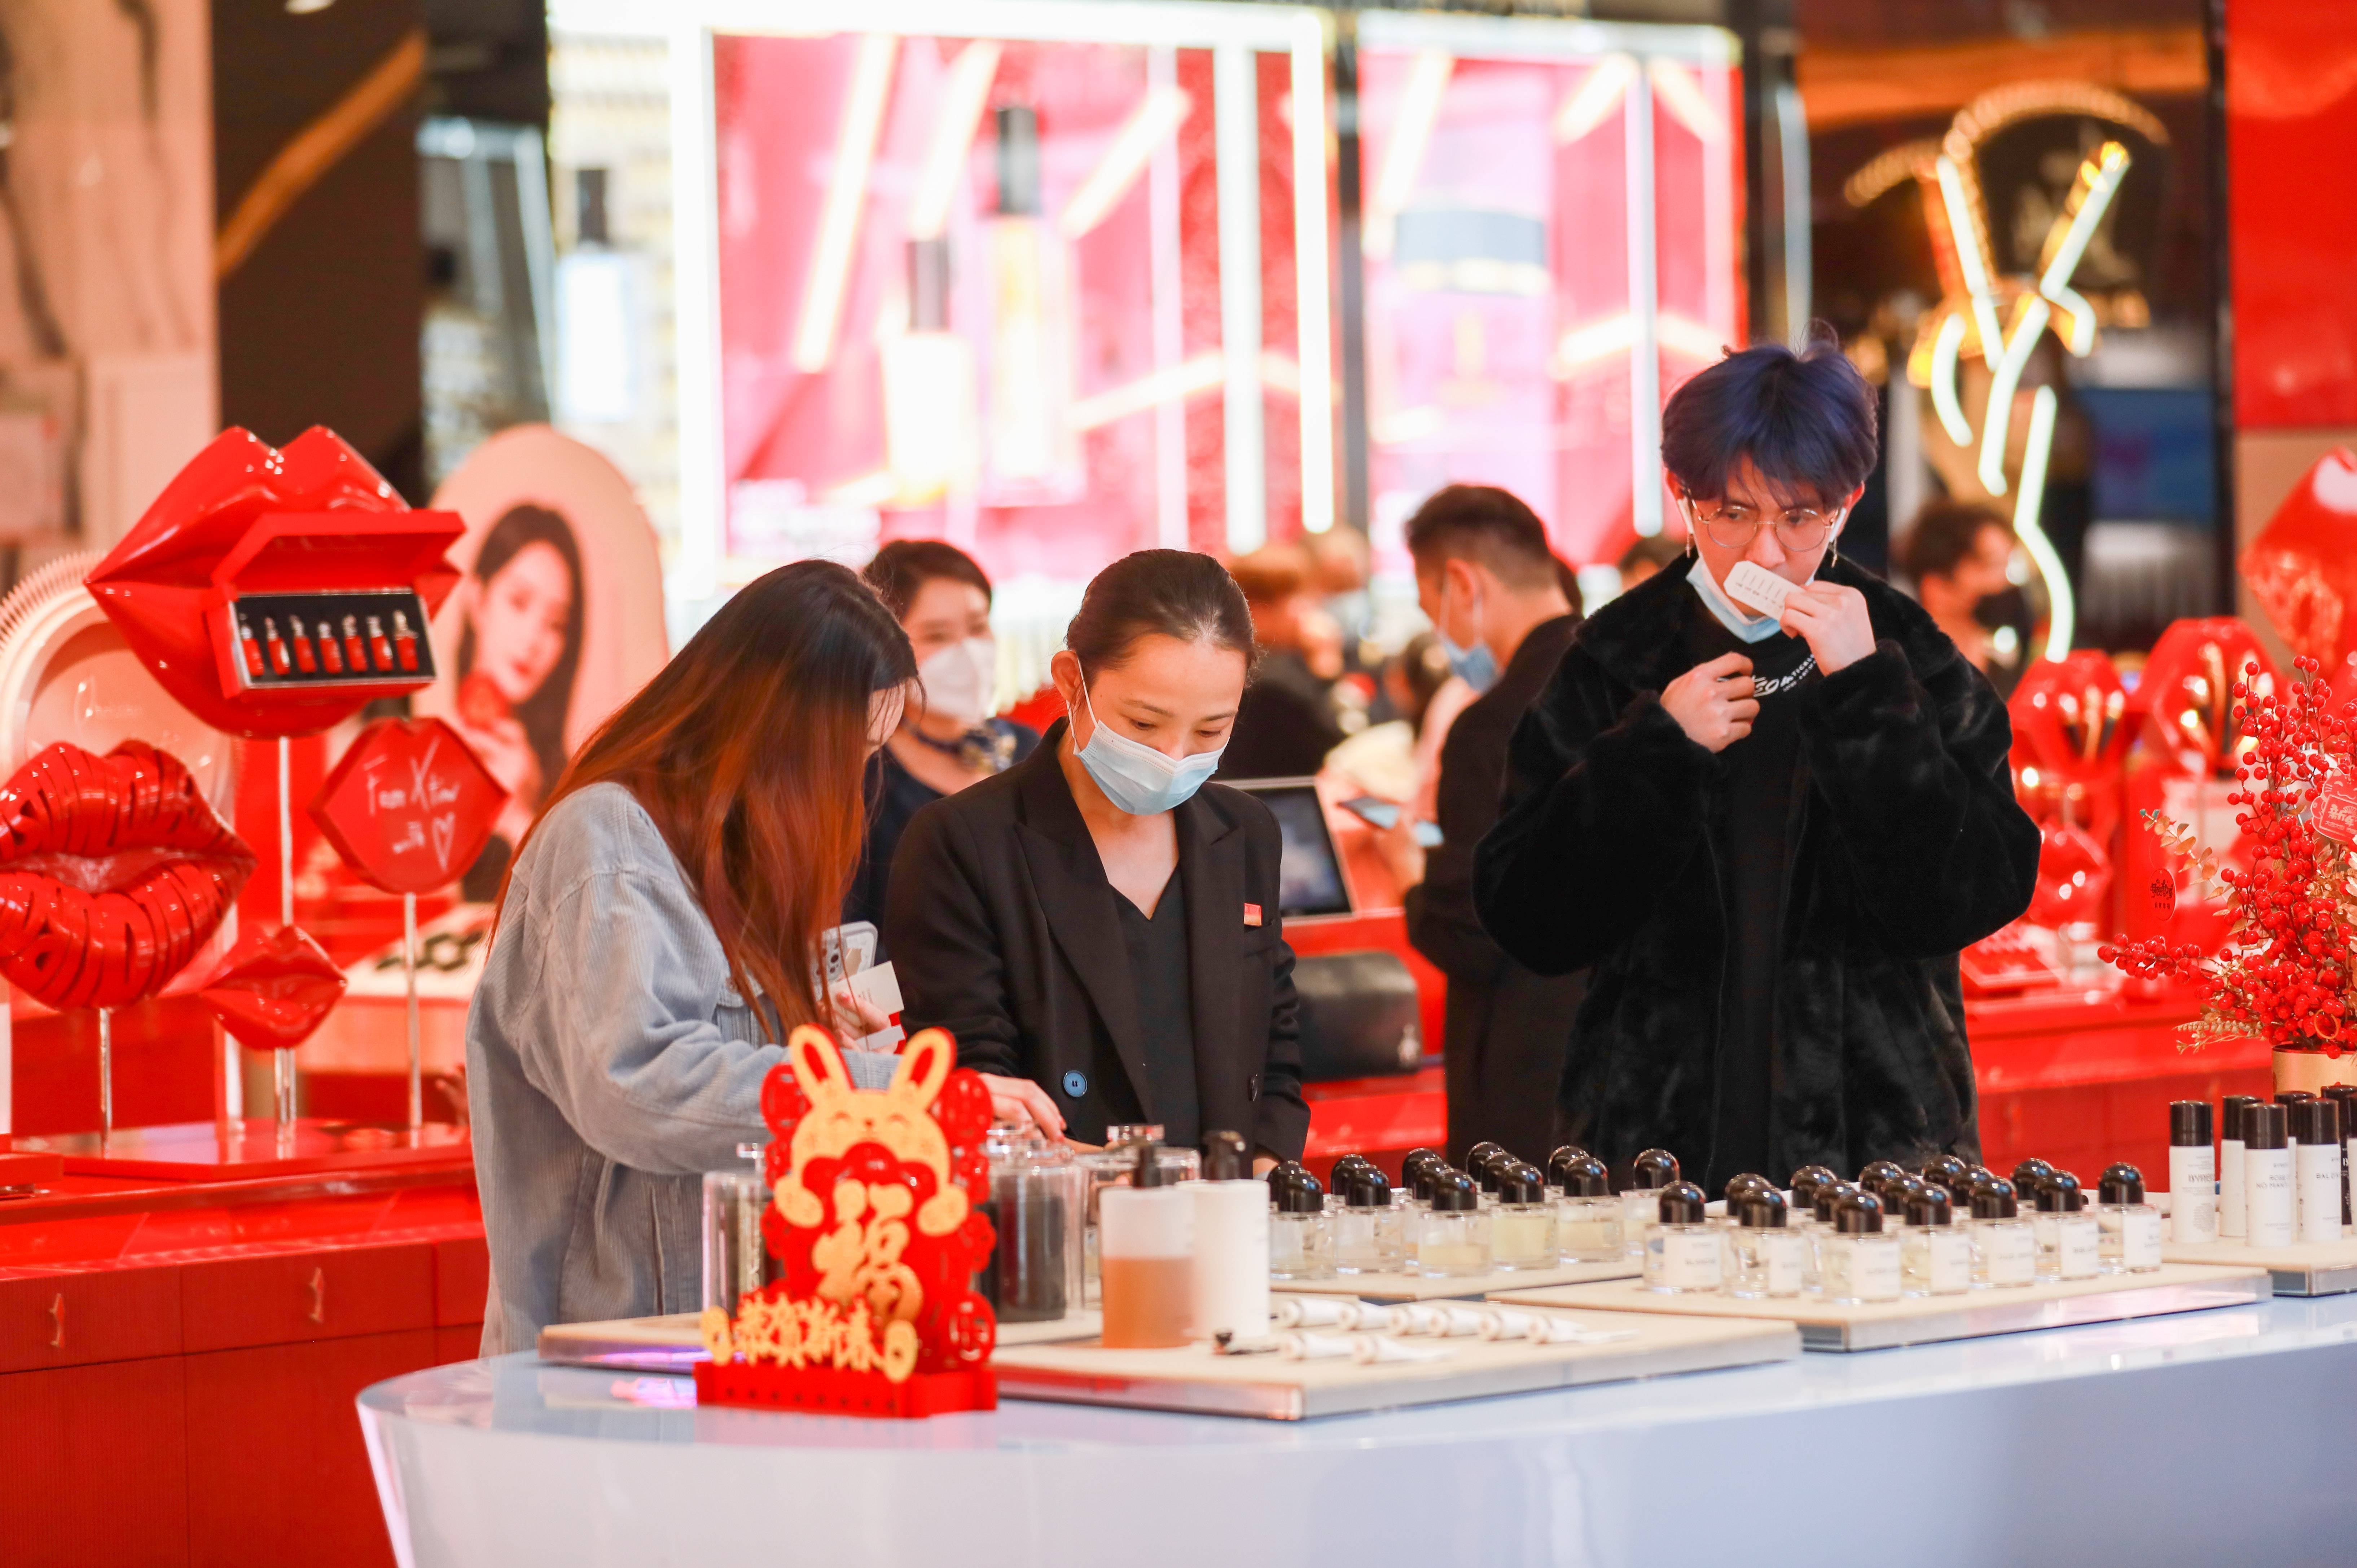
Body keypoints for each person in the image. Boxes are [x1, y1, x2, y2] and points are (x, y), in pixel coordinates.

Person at [1473, 328, 2039, 1188]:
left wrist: (1870, 700)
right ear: (1684, 497)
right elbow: (1527, 918)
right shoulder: (1617, 656)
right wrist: (1653, 755)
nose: (1765, 552)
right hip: (1653, 1153)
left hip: (1881, 1154)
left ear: (1846, 504)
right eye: (1732, 513)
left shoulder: (1910, 653)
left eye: (1799, 516)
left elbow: (1976, 894)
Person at [466, 561, 912, 1353]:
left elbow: (727, 1084)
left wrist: (817, 1039)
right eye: (845, 750)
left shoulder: (739, 852)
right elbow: (637, 1084)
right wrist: (876, 1092)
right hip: (612, 1357)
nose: (851, 779)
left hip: (735, 1339)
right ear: (772, 724)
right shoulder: (611, 838)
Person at [884, 549, 1311, 1162]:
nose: (1172, 756)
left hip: (1224, 1203)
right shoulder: (964, 842)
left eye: (1209, 730)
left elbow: (1273, 1049)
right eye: (1143, 724)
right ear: (1070, 680)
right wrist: (1120, 1185)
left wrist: (1262, 1172)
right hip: (1056, 1203)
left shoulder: (1243, 833)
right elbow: (976, 1085)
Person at [1372, 485, 1586, 1167]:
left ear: (1462, 584)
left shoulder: (1492, 726)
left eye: (1426, 603)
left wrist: (1409, 869)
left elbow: (1470, 931)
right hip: (1640, 1070)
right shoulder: (1646, 688)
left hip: (1528, 1076)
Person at [844, 541, 1039, 938]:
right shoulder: (862, 775)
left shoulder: (1028, 750)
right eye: (937, 635)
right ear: (883, 649)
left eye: (978, 628)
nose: (968, 653)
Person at [451, 505, 585, 901]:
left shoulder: (567, 780)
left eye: (556, 624)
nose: (533, 638)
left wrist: (519, 818)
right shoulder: (421, 747)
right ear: (478, 599)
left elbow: (574, 914)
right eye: (519, 602)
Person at [1217, 544, 1346, 779]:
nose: (1306, 610)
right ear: (1256, 607)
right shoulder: (1270, 680)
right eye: (1296, 596)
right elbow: (1336, 750)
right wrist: (1326, 666)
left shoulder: (1231, 659)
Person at [1898, 499, 2021, 685]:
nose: (2003, 582)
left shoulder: (2010, 662)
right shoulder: (1905, 672)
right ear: (1935, 584)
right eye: (1990, 565)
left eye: (2007, 565)